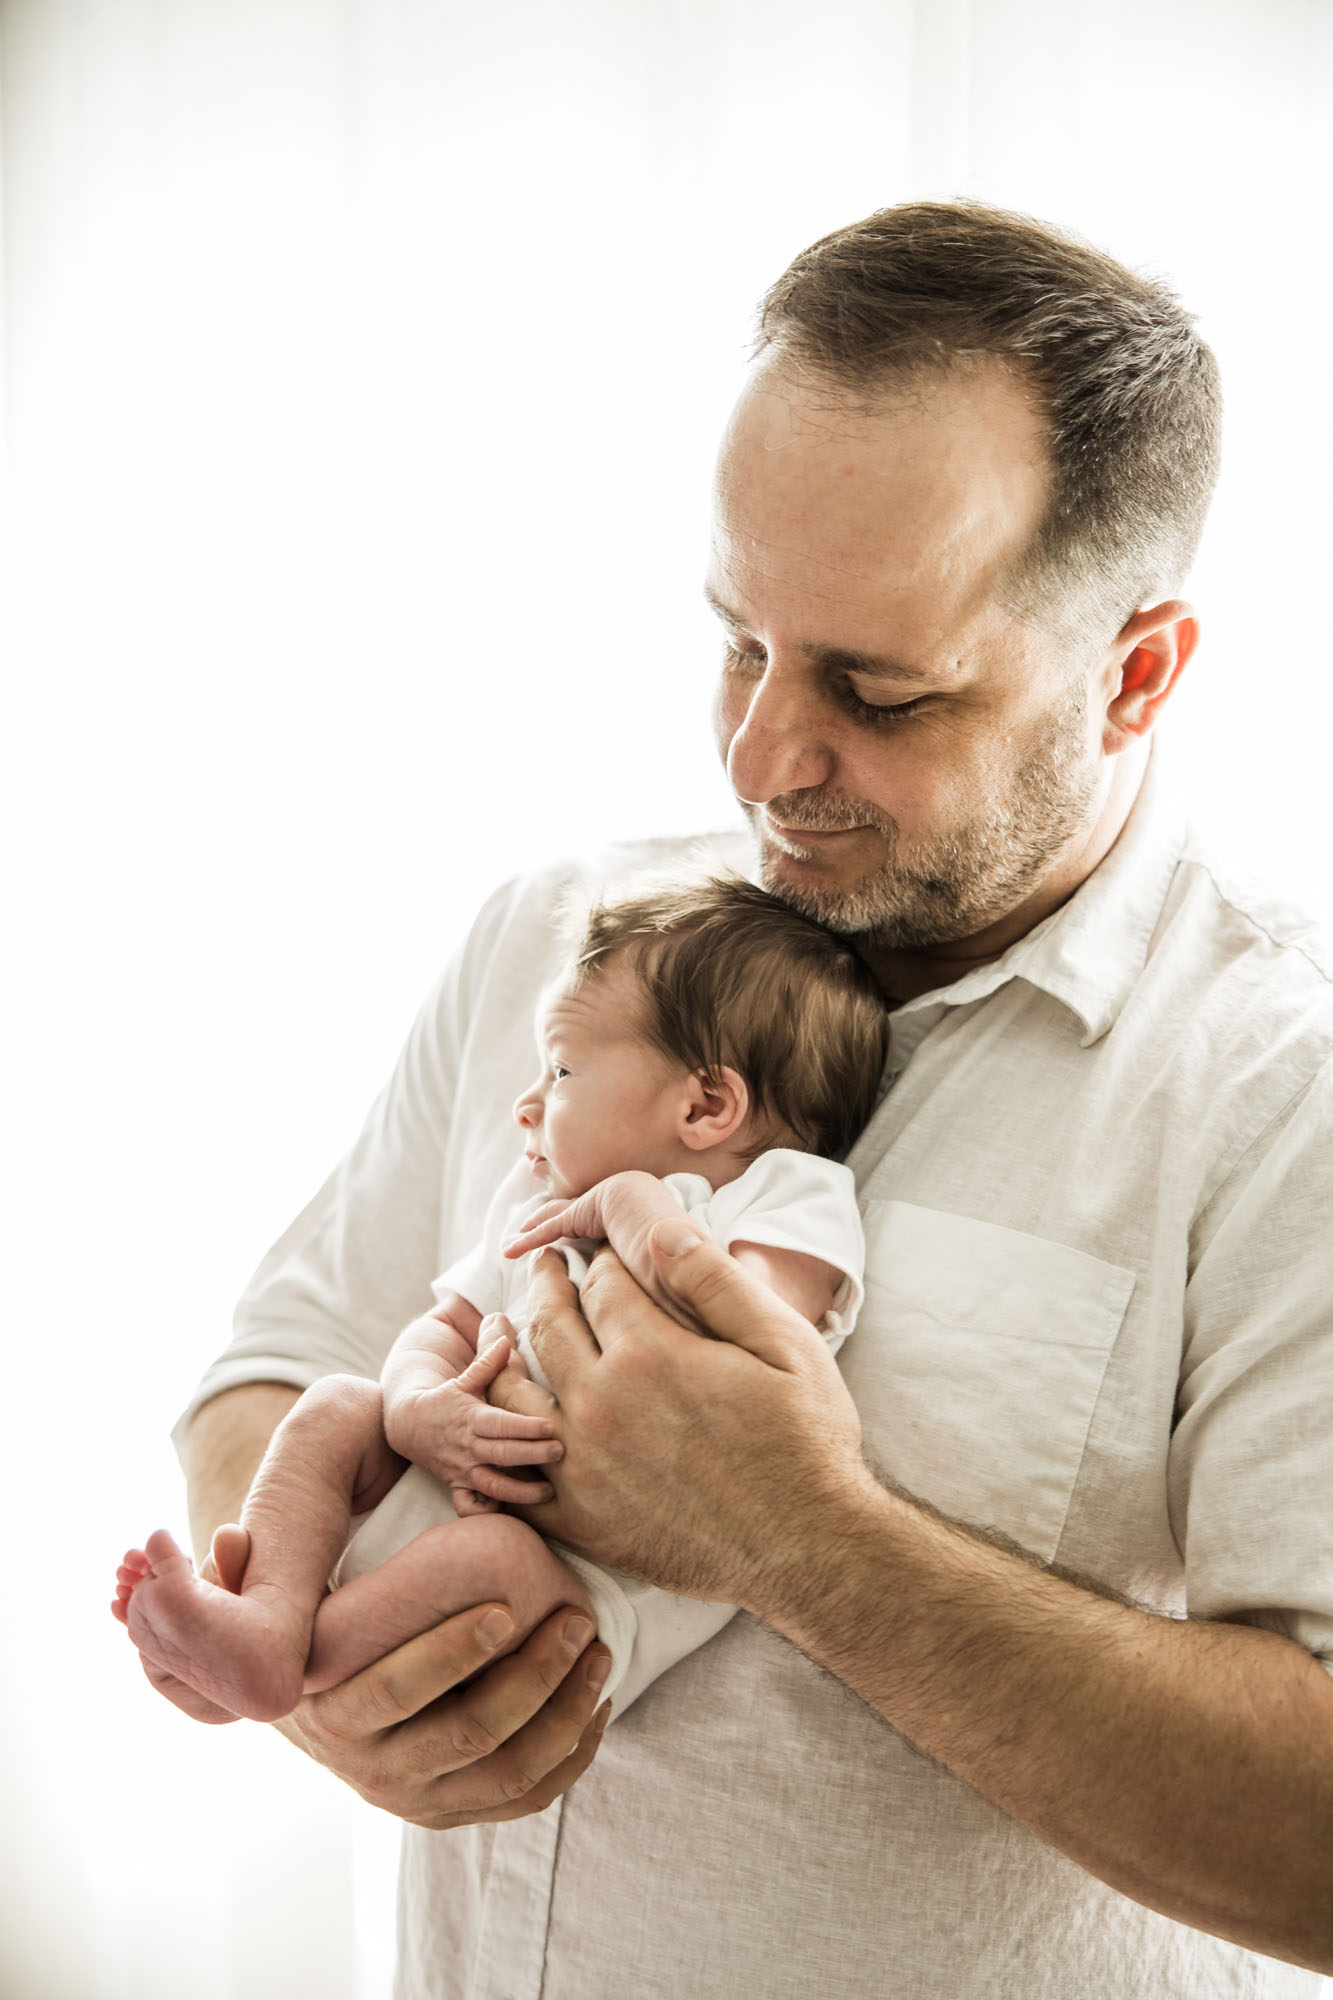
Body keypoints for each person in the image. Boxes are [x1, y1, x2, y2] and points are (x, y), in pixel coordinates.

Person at [177, 200, 1333, 1997]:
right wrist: (334, 1679)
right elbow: (270, 1368)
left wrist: (805, 1543)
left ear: (1135, 674)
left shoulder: (1281, 1095)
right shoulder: (556, 941)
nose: (758, 757)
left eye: (873, 687)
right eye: (740, 640)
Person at [117, 877, 882, 1726]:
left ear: (703, 1105)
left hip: (583, 1579)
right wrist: (415, 1407)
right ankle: (262, 1617)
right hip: (446, 1482)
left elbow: (742, 1333)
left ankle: (288, 1665)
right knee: (338, 1406)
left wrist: (628, 1204)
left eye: (559, 1068)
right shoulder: (537, 1208)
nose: (526, 1102)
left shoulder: (790, 1196)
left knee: (490, 1557)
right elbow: (445, 1324)